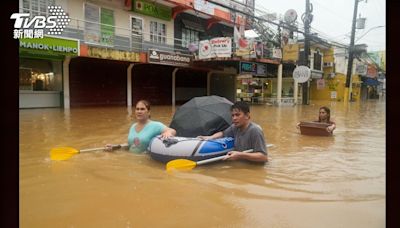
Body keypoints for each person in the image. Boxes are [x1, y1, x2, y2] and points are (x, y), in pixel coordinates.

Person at [198, 101, 268, 163]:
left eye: (237, 115)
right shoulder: (235, 127)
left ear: (247, 115)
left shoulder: (255, 130)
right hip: (241, 163)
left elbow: (263, 157)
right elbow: (223, 133)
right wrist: (210, 137)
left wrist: (240, 155)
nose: (234, 118)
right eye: (233, 115)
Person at [105, 100, 176, 153]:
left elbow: (173, 131)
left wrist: (168, 132)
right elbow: (131, 145)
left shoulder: (155, 125)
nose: (139, 111)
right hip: (131, 162)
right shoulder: (133, 126)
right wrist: (115, 147)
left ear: (148, 112)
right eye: (137, 109)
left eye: (142, 109)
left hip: (145, 162)